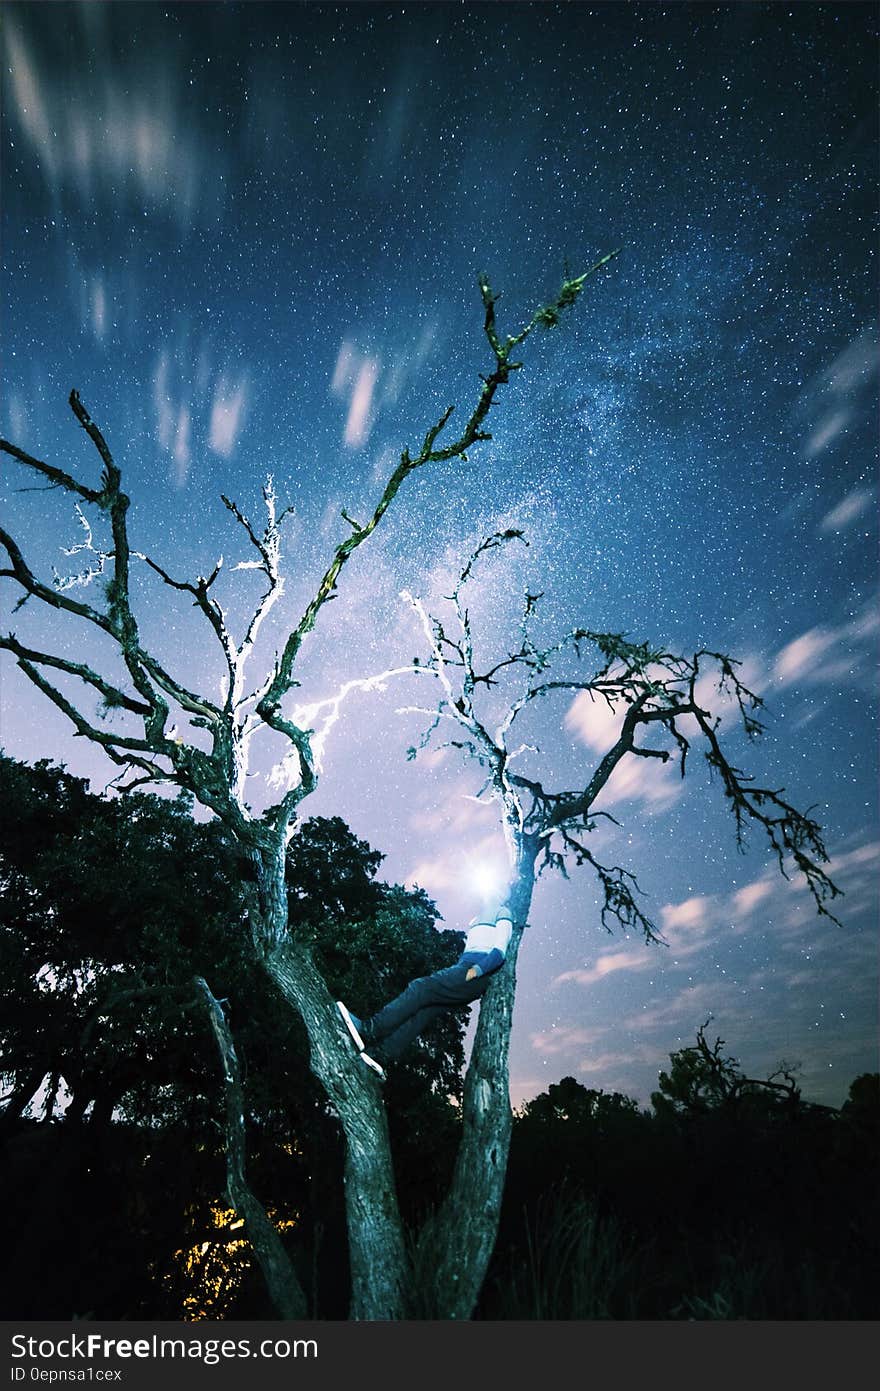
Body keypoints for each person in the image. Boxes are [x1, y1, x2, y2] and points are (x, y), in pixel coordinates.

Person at [336, 899, 514, 1080]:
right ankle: (379, 1056)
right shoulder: (476, 918)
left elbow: (500, 951)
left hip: (476, 971)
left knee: (420, 987)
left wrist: (475, 972)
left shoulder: (503, 912)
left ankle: (367, 1030)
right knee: (424, 1012)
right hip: (465, 967)